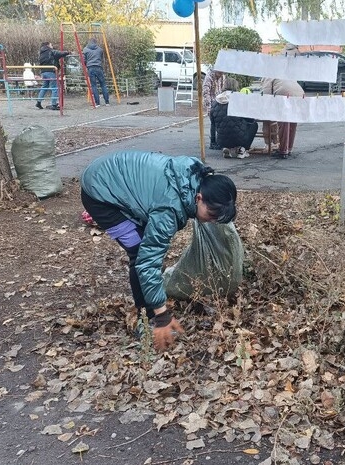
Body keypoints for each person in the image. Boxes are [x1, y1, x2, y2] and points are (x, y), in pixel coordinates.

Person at [80, 151, 237, 350]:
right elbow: (147, 261)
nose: (212, 221)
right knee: (139, 254)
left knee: (148, 244)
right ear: (199, 198)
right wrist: (162, 314)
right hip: (99, 193)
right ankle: (145, 318)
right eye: (212, 214)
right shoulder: (169, 209)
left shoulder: (193, 175)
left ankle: (150, 304)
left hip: (112, 171)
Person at [260, 43, 305, 159]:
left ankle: (282, 150)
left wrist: (265, 107)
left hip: (285, 94)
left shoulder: (268, 72)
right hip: (299, 92)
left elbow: (266, 92)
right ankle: (288, 148)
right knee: (292, 121)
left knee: (284, 122)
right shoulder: (284, 69)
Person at [210, 78, 257, 159]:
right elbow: (250, 119)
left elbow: (213, 124)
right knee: (254, 125)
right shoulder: (239, 100)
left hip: (221, 140)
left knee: (224, 125)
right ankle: (242, 150)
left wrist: (213, 141)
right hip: (239, 139)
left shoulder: (215, 102)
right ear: (235, 87)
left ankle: (226, 148)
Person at [36, 41, 71, 111]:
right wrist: (67, 52)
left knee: (44, 87)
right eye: (51, 45)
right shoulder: (50, 51)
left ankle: (38, 102)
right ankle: (54, 104)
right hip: (51, 71)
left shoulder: (41, 53)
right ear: (48, 45)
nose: (52, 46)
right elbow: (59, 53)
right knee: (55, 88)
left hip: (43, 72)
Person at [202, 70, 227, 150]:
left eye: (222, 73)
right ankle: (213, 142)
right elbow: (206, 92)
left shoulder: (222, 77)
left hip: (219, 101)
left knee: (218, 123)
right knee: (213, 123)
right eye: (220, 73)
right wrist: (209, 106)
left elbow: (223, 90)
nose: (221, 75)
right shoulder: (209, 77)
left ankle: (219, 142)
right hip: (212, 102)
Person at [82, 38, 110, 107]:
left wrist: (86, 65)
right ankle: (107, 102)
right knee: (103, 84)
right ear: (95, 42)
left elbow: (83, 60)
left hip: (90, 68)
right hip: (98, 67)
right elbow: (102, 58)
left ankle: (97, 103)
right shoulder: (100, 49)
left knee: (94, 85)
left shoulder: (85, 49)